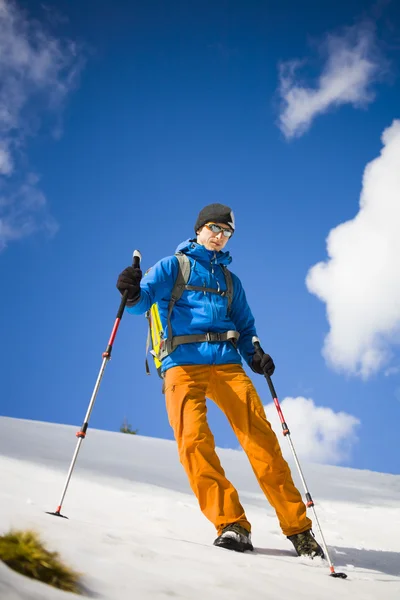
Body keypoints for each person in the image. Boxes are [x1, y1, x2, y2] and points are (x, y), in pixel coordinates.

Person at [116, 203, 324, 557]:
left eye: (226, 232)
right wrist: (131, 290)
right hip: (182, 363)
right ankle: (232, 524)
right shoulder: (173, 266)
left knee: (263, 442)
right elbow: (138, 304)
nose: (219, 236)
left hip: (228, 366)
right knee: (193, 442)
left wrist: (255, 354)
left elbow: (245, 328)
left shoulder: (230, 281)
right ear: (199, 229)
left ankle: (299, 530)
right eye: (214, 228)